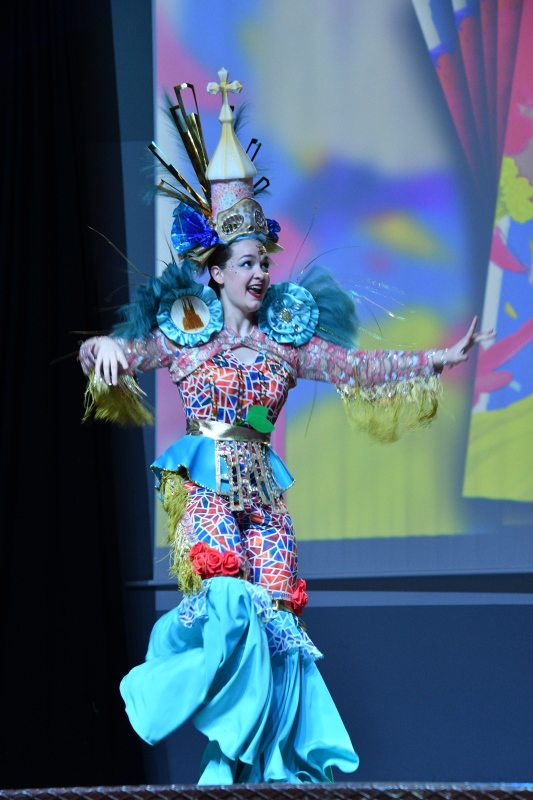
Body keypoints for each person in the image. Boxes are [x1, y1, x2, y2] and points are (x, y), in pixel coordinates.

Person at [79, 69, 494, 785]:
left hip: (265, 497)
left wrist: (436, 359)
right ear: (216, 272)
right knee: (229, 604)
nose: (260, 273)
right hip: (207, 491)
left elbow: (359, 368)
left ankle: (269, 773)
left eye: (264, 261)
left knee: (279, 626)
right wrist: (102, 349)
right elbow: (114, 350)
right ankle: (176, 705)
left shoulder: (286, 344)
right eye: (246, 262)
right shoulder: (185, 337)